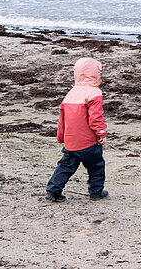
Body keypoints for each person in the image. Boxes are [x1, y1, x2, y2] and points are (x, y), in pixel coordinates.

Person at [45, 57, 109, 201]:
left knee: (66, 165)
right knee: (96, 165)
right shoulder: (94, 93)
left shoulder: (71, 94)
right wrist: (101, 133)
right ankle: (96, 192)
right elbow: (95, 119)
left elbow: (62, 118)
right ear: (96, 74)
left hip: (71, 141)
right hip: (88, 142)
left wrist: (61, 137)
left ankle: (53, 190)